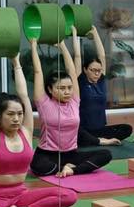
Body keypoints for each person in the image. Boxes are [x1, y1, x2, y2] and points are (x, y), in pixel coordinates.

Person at [0, 52, 78, 207]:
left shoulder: (25, 131)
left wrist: (16, 62)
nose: (16, 119)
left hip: (20, 195)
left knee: (69, 195)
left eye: (19, 114)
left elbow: (24, 95)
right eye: (10, 114)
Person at [29, 37, 112, 177]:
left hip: (71, 154)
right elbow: (38, 72)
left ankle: (72, 169)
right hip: (48, 154)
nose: (67, 92)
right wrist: (33, 46)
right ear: (50, 89)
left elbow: (72, 71)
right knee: (37, 166)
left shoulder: (74, 100)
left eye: (69, 88)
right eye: (61, 88)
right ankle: (69, 168)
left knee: (106, 154)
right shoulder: (43, 103)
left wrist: (62, 45)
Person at [74, 24, 133, 147]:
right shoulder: (81, 81)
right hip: (84, 130)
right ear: (85, 70)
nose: (96, 73)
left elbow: (102, 56)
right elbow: (77, 56)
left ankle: (98, 140)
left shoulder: (101, 81)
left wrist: (95, 33)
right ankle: (97, 140)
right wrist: (75, 34)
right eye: (93, 70)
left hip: (100, 129)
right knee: (78, 135)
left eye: (99, 70)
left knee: (127, 128)